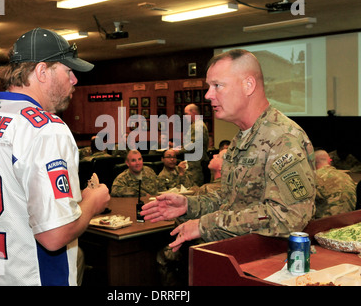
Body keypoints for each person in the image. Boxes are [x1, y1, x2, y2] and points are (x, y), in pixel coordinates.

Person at [0, 28, 110, 286]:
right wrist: (92, 202)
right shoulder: (46, 128)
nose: (75, 80)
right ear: (42, 72)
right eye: (68, 71)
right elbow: (54, 235)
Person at [141, 49, 316, 252]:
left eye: (217, 86)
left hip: (270, 264)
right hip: (239, 257)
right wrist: (190, 206)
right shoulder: (242, 138)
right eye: (209, 86)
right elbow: (230, 200)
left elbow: (289, 216)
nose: (208, 95)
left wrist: (205, 225)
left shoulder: (284, 139)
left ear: (248, 85)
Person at [314, 149, 356, 218]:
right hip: (349, 221)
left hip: (327, 223)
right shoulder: (346, 176)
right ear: (330, 161)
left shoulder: (314, 178)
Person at [175, 103, 209, 186]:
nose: (185, 117)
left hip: (196, 164)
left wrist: (179, 151)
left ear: (193, 112)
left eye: (186, 114)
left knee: (194, 187)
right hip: (196, 162)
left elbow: (194, 144)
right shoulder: (197, 125)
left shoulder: (197, 126)